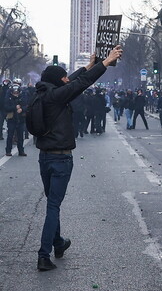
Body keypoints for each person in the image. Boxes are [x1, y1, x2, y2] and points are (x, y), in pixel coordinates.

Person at [34, 46, 123, 271]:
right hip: (61, 158)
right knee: (53, 205)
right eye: (63, 76)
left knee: (53, 203)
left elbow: (70, 82)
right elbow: (79, 84)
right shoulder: (57, 96)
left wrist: (89, 65)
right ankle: (44, 255)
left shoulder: (43, 93)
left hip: (44, 158)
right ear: (57, 80)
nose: (66, 78)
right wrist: (105, 63)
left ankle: (58, 243)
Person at [5, 84, 27, 156]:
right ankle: (8, 151)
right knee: (10, 136)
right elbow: (6, 107)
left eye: (17, 92)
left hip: (21, 119)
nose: (15, 94)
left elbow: (27, 106)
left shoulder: (23, 97)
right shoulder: (8, 98)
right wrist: (15, 107)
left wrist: (22, 109)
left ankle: (21, 151)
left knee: (20, 136)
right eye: (14, 92)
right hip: (12, 119)